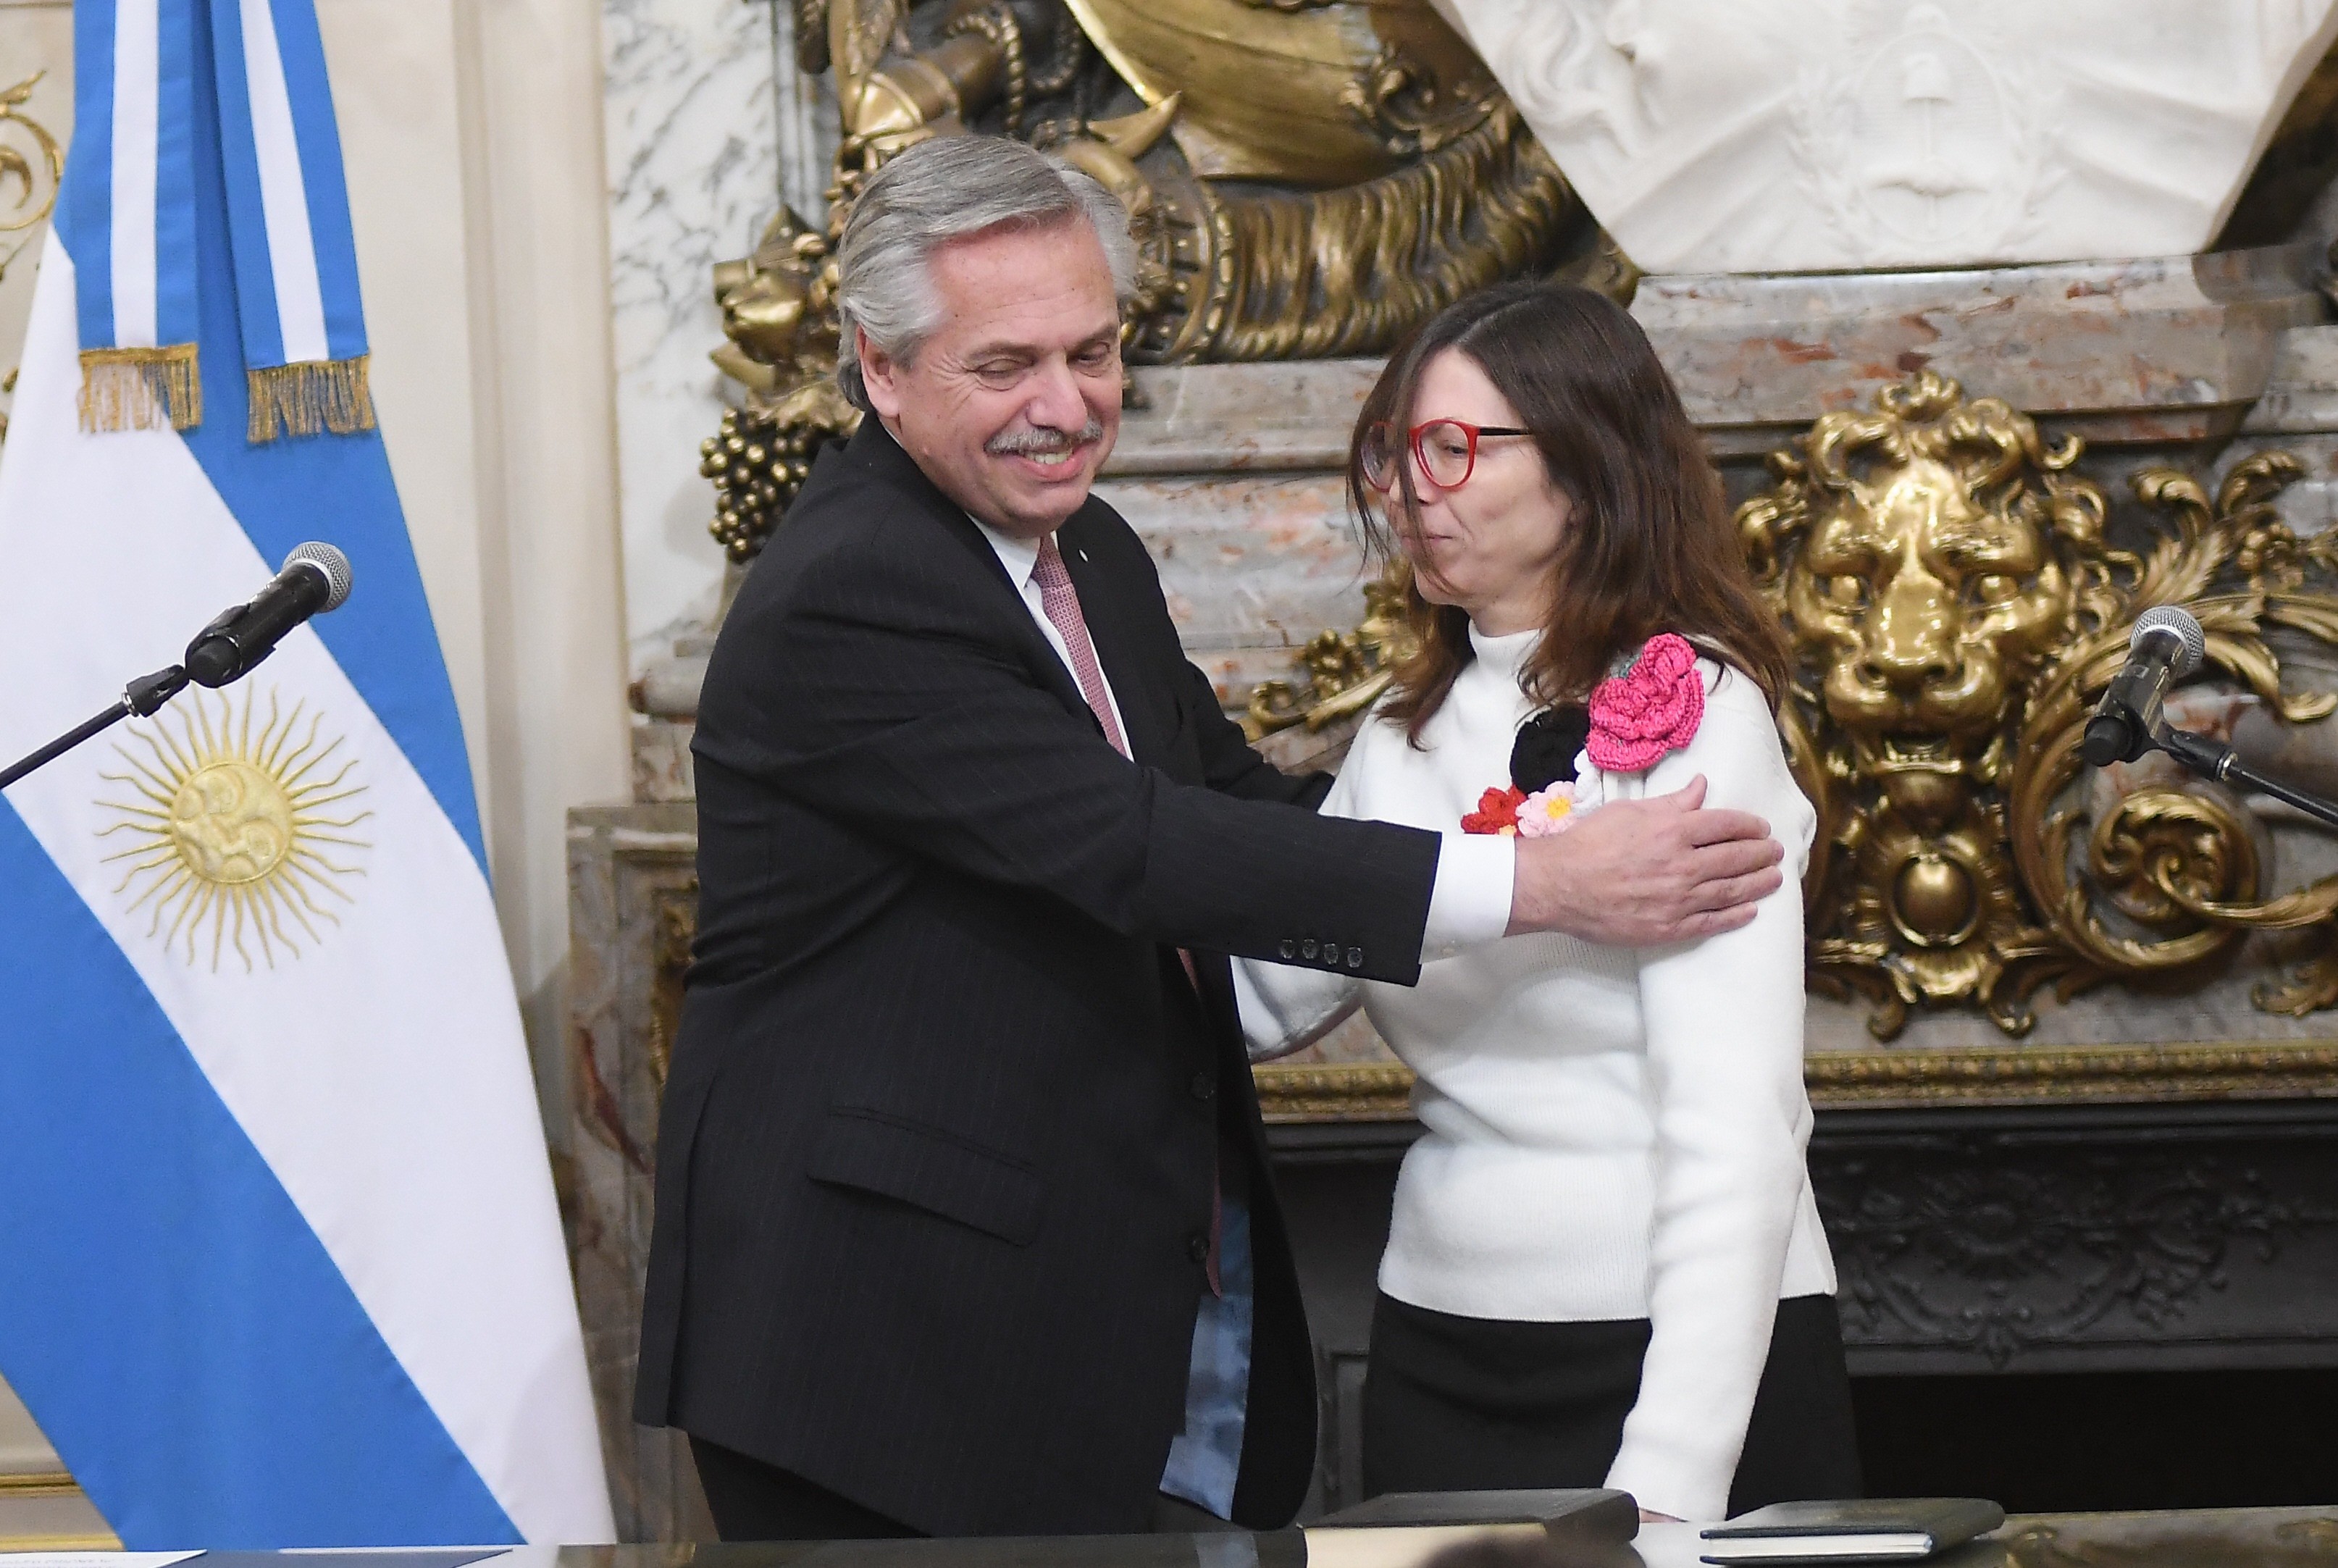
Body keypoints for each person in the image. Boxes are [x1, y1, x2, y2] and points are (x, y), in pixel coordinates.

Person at [632, 135, 1790, 1543]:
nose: (1065, 407)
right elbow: (1137, 846)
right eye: (1007, 366)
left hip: (1061, 1326)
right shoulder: (852, 587)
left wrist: (1473, 799)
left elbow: (1229, 799)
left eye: (1095, 351)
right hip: (877, 1346)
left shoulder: (1090, 552)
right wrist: (1537, 877)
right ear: (881, 368)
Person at [1237, 282, 1861, 1525]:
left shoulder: (1698, 716)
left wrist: (1667, 1484)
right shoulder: (1398, 737)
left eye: (1454, 448)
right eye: (1394, 452)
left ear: (1587, 468)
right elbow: (1260, 1004)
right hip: (1440, 1352)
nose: (1413, 491)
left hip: (1675, 1362)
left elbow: (1739, 1127)